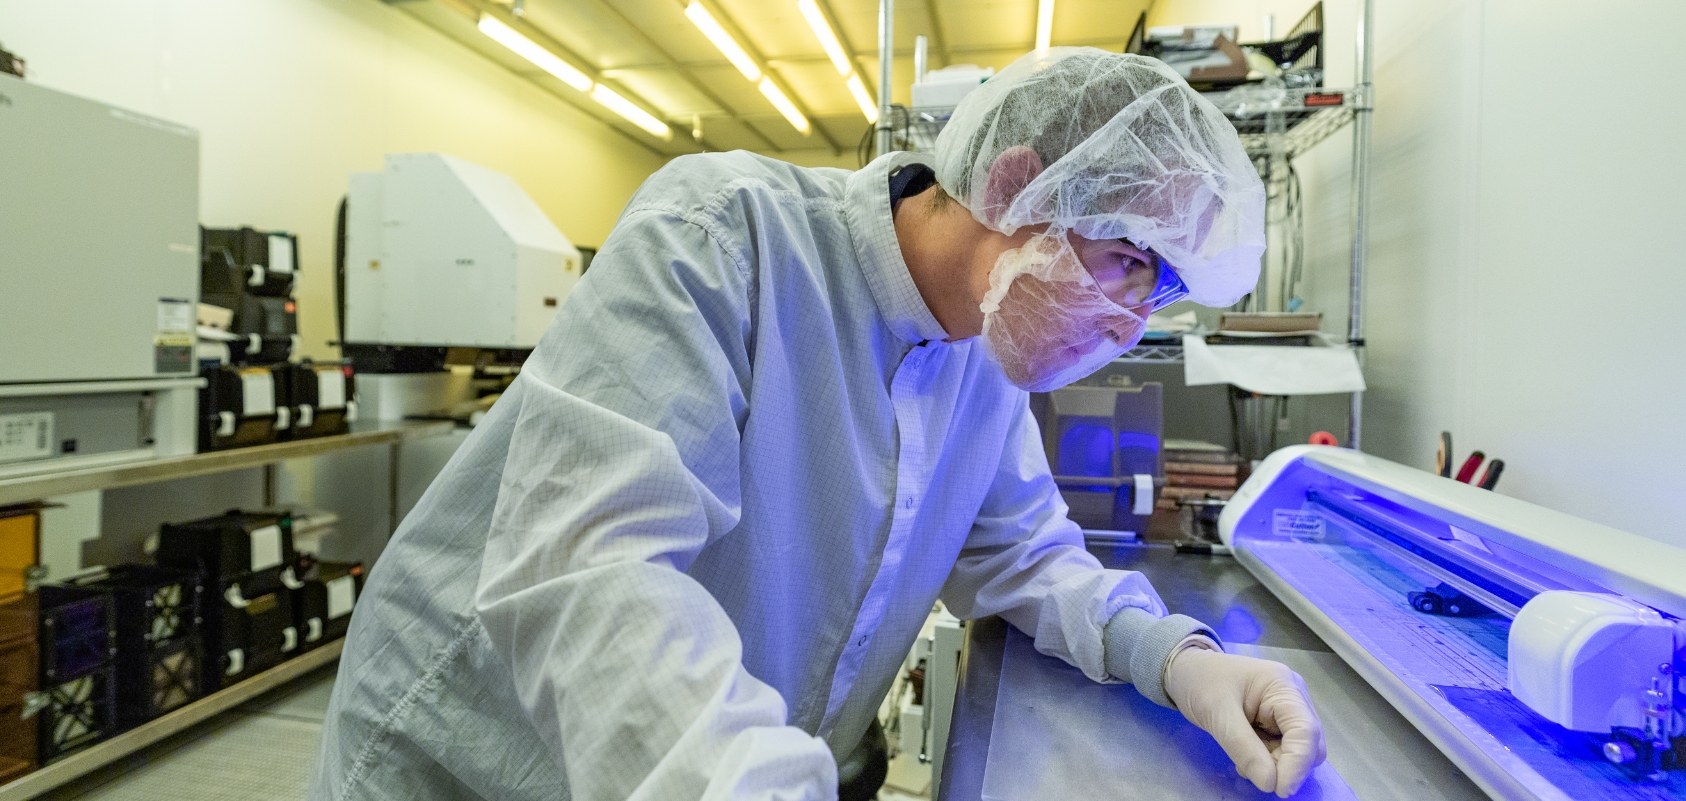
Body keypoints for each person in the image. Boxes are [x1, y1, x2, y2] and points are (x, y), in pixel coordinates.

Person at [311, 47, 1324, 800]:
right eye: (1131, 262)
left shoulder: (982, 354)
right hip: (490, 762)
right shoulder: (725, 238)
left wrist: (1182, 661)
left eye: (1165, 289)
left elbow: (1025, 555)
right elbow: (590, 577)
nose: (1133, 320)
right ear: (1016, 185)